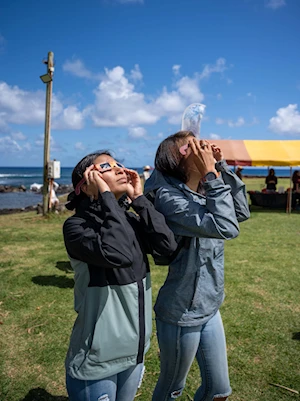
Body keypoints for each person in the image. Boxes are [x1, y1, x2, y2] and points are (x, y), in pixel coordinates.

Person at [63, 151, 177, 401]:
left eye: (119, 165)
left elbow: (166, 247)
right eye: (106, 167)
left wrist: (138, 198)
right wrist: (106, 196)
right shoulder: (77, 227)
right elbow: (117, 253)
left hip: (134, 352)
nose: (119, 170)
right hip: (97, 359)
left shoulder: (128, 220)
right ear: (87, 183)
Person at [144, 132, 250, 401]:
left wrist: (220, 167)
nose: (202, 146)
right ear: (175, 157)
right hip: (181, 312)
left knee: (219, 391)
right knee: (172, 390)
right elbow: (225, 227)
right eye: (193, 145)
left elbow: (240, 213)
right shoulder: (169, 198)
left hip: (210, 305)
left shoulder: (203, 190)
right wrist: (212, 175)